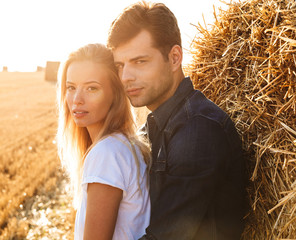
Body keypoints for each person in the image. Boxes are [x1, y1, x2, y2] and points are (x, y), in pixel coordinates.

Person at [107, 1, 246, 239]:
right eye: (120, 65)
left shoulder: (199, 130)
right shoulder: (151, 129)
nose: (126, 77)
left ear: (174, 58)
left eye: (140, 62)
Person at [56, 43, 151, 240]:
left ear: (115, 95)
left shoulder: (107, 153)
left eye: (92, 88)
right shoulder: (123, 146)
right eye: (71, 87)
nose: (77, 100)